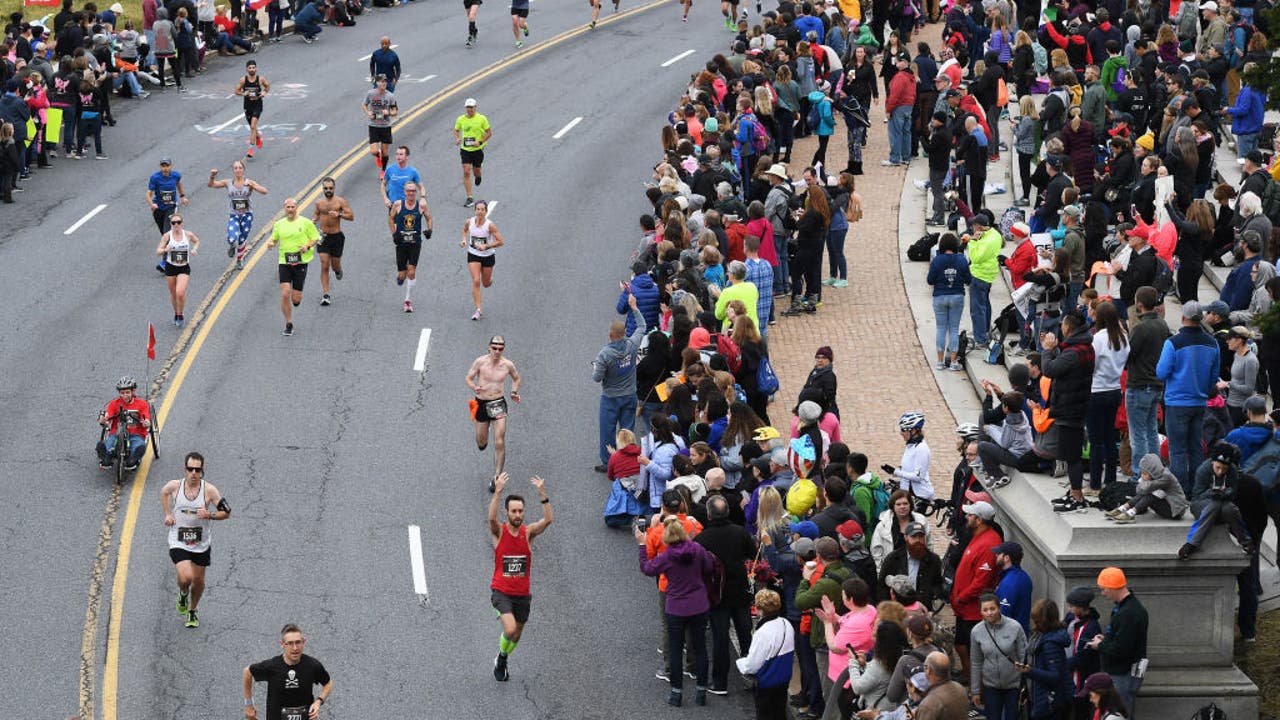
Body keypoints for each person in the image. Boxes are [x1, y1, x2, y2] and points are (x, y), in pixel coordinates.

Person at [638, 515, 715, 707]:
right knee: (700, 648)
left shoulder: (667, 556)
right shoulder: (697, 550)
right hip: (699, 605)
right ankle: (701, 691)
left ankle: (676, 692)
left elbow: (647, 568)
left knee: (674, 648)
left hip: (676, 607)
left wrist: (641, 545)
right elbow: (709, 567)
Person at [487, 472, 552, 680]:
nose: (517, 514)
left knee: (516, 634)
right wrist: (498, 492)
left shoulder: (528, 532)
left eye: (520, 511)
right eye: (513, 511)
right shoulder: (499, 532)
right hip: (501, 592)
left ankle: (502, 656)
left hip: (522, 595)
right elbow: (490, 518)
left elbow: (548, 520)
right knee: (510, 627)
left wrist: (543, 495)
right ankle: (503, 659)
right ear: (507, 513)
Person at [1156, 301, 1221, 494]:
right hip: (1199, 402)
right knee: (1196, 448)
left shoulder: (1173, 343)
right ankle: (1197, 489)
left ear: (1183, 317)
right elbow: (1214, 374)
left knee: (1177, 450)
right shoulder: (1212, 342)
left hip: (1176, 402)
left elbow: (1161, 372)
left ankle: (1179, 491)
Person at [160, 451, 229, 629]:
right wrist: (168, 514)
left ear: (202, 471)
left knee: (198, 581)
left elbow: (227, 512)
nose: (193, 473)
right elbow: (164, 492)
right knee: (185, 577)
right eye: (190, 469)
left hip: (201, 542)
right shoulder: (175, 486)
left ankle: (192, 610)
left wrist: (210, 515)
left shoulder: (209, 490)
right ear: (185, 469)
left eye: (197, 470)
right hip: (179, 539)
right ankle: (183, 593)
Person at [695, 494, 756, 695]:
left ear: (709, 515)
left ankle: (720, 682)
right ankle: (752, 675)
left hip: (716, 593)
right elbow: (751, 552)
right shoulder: (740, 532)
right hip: (739, 590)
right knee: (746, 634)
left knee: (720, 638)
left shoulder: (702, 539)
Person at [949, 500, 1002, 686]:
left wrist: (961, 597)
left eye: (970, 515)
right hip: (964, 608)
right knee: (961, 646)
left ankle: (977, 690)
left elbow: (981, 582)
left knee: (973, 653)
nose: (966, 516)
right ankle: (970, 680)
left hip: (971, 610)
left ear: (979, 520)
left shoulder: (989, 543)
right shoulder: (977, 536)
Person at [1085, 567, 1147, 718]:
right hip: (1126, 672)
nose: (1102, 593)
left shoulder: (1127, 614)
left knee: (1118, 714)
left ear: (1113, 587)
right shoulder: (1129, 608)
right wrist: (1107, 640)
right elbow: (1124, 641)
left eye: (1103, 589)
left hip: (1122, 673)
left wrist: (1099, 645)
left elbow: (1121, 650)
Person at [593, 295, 646, 472]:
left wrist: (596, 367)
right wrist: (634, 308)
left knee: (607, 432)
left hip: (610, 397)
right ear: (623, 334)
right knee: (627, 430)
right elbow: (642, 326)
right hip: (630, 394)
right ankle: (628, 461)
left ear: (610, 335)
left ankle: (609, 463)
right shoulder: (632, 344)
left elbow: (597, 378)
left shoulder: (604, 355)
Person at [1178, 442, 1255, 559]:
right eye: (1217, 467)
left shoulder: (1232, 471)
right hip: (1201, 506)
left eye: (1224, 469)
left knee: (1231, 509)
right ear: (1213, 461)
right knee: (1214, 505)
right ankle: (1192, 544)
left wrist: (1225, 493)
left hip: (1223, 506)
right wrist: (1211, 493)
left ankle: (1246, 542)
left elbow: (1233, 492)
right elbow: (1196, 496)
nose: (1220, 472)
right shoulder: (1203, 470)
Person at [1125, 287, 1170, 477]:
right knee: (1151, 431)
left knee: (1138, 434)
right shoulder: (1162, 325)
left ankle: (1140, 473)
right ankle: (1155, 470)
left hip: (1139, 385)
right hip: (1156, 385)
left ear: (1139, 304)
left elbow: (1128, 356)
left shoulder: (1140, 328)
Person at [466, 336, 522, 491]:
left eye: (500, 348)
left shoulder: (507, 365)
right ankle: (485, 429)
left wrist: (513, 391)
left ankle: (497, 477)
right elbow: (469, 377)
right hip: (482, 403)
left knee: (499, 441)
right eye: (494, 348)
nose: (497, 351)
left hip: (498, 404)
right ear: (489, 347)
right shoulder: (480, 362)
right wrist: (474, 387)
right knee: (481, 443)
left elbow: (516, 379)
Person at [243, 624, 332, 720]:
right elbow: (247, 672)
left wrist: (318, 701)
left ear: (304, 642)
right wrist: (249, 705)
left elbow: (328, 683)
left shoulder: (312, 665)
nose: (295, 648)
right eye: (290, 643)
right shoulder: (272, 666)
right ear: (282, 644)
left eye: (298, 642)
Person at [736, 589, 794, 720]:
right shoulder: (787, 624)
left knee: (764, 714)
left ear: (760, 610)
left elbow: (753, 664)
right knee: (780, 712)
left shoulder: (762, 632)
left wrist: (740, 663)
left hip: (767, 680)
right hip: (784, 678)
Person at [266, 198, 320, 337]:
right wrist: (271, 243)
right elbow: (274, 238)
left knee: (296, 300)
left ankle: (295, 301)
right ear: (284, 208)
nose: (290, 209)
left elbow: (316, 237)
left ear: (297, 208)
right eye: (288, 207)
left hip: (300, 262)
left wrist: (307, 246)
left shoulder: (306, 222)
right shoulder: (279, 224)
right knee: (285, 293)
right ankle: (289, 323)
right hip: (285, 261)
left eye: (292, 207)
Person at [969, 592, 1028, 720]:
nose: (989, 612)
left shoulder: (1015, 627)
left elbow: (1024, 655)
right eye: (985, 610)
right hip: (990, 685)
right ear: (980, 612)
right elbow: (976, 662)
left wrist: (1024, 683)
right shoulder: (976, 632)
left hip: (1013, 685)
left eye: (992, 608)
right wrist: (975, 691)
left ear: (999, 608)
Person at [1018, 598, 1073, 720]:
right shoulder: (1038, 636)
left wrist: (1029, 671)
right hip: (1037, 697)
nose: (1033, 622)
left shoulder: (1050, 644)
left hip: (1048, 702)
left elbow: (1055, 676)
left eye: (1035, 619)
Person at [208, 161, 267, 270]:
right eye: (235, 168)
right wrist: (212, 176)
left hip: (247, 214)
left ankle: (240, 259)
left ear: (243, 170)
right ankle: (231, 245)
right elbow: (211, 185)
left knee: (242, 238)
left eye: (240, 168)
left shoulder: (249, 182)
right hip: (234, 215)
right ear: (233, 170)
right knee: (232, 237)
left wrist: (253, 186)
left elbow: (264, 191)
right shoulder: (228, 182)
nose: (238, 170)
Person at [927, 232, 971, 370]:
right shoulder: (962, 259)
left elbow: (930, 280)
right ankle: (953, 362)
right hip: (957, 296)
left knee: (941, 328)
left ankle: (940, 361)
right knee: (953, 329)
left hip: (940, 296)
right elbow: (968, 280)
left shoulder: (937, 260)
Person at [388, 183, 433, 313]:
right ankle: (401, 277)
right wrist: (394, 234)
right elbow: (391, 219)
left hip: (415, 243)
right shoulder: (398, 205)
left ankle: (407, 301)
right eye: (409, 191)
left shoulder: (421, 206)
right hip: (401, 244)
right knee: (402, 275)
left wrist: (430, 230)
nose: (411, 193)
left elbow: (429, 218)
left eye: (413, 191)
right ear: (405, 192)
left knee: (411, 271)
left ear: (416, 192)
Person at [1106, 453, 1190, 523]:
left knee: (1150, 495)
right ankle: (1122, 508)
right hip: (1166, 504)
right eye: (1142, 473)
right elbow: (1139, 490)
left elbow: (1146, 487)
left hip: (1175, 510)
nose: (1142, 476)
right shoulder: (1154, 476)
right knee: (1147, 492)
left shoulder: (1166, 477)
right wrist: (1142, 483)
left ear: (1153, 471)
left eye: (1145, 474)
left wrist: (1142, 483)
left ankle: (1131, 513)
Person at [312, 177, 353, 306]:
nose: (328, 190)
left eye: (330, 188)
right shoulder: (319, 203)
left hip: (337, 237)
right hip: (323, 236)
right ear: (322, 189)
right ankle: (326, 294)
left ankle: (338, 270)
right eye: (325, 188)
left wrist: (339, 214)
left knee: (335, 265)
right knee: (324, 264)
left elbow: (351, 216)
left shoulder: (340, 201)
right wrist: (312, 222)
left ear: (334, 188)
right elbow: (316, 215)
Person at [460, 199, 504, 320]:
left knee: (485, 283)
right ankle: (478, 309)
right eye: (478, 209)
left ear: (486, 211)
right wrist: (464, 240)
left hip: (488, 256)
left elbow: (501, 242)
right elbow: (464, 231)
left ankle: (489, 280)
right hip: (473, 254)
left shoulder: (489, 225)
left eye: (482, 210)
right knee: (476, 281)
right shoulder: (469, 221)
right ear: (475, 210)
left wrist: (486, 246)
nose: (480, 212)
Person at [96, 376, 152, 470]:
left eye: (127, 392)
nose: (125, 395)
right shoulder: (114, 404)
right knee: (109, 445)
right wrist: (103, 420)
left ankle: (133, 459)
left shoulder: (142, 404)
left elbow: (146, 418)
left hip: (135, 434)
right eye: (122, 393)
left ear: (133, 392)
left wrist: (146, 422)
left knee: (137, 445)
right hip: (116, 433)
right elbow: (107, 419)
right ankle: (106, 457)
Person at [155, 213, 200, 327]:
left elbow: (197, 241)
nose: (176, 225)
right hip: (171, 267)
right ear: (170, 224)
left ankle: (181, 313)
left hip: (184, 267)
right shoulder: (167, 236)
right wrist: (166, 249)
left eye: (178, 222)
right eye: (173, 223)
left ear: (182, 223)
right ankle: (176, 313)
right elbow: (158, 251)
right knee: (174, 294)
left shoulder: (187, 234)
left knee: (180, 292)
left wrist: (194, 249)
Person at [965, 212, 1002, 350]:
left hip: (979, 276)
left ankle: (980, 338)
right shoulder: (994, 235)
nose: (972, 228)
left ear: (979, 227)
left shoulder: (987, 240)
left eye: (974, 226)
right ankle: (984, 331)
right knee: (984, 305)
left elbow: (975, 258)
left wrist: (972, 241)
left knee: (977, 309)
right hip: (987, 276)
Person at [146, 156, 188, 271]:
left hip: (171, 208)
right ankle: (173, 256)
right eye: (163, 166)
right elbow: (148, 194)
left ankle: (165, 263)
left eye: (167, 166)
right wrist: (152, 204)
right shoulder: (155, 178)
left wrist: (182, 196)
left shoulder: (176, 175)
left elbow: (178, 183)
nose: (165, 168)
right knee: (164, 235)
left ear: (171, 166)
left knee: (167, 233)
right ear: (160, 167)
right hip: (158, 209)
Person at [881, 411, 934, 499]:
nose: (901, 433)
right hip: (908, 492)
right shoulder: (911, 445)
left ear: (913, 431)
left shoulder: (921, 449)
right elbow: (909, 468)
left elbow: (918, 476)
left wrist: (896, 472)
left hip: (918, 495)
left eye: (903, 430)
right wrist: (896, 471)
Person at [454, 98, 491, 207]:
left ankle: (478, 176)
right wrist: (457, 139)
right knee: (466, 171)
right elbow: (456, 130)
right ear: (465, 108)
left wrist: (480, 142)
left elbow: (489, 133)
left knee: (476, 171)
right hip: (465, 149)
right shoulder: (460, 119)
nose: (469, 109)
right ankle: (469, 197)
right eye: (468, 107)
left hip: (478, 150)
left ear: (475, 107)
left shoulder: (482, 119)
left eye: (471, 107)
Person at [992, 541, 1032, 632]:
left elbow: (1002, 615)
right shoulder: (1024, 577)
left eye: (998, 554)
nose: (996, 556)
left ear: (1006, 558)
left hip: (1008, 638)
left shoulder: (1009, 583)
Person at [233, 60, 268, 157]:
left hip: (257, 105)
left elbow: (267, 87)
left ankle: (250, 149)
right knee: (253, 128)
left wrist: (264, 92)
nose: (252, 69)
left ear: (256, 68)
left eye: (253, 67)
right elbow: (236, 91)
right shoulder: (243, 80)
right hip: (248, 106)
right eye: (250, 68)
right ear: (247, 69)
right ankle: (257, 136)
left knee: (253, 126)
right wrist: (243, 93)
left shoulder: (260, 79)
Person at [363, 74, 397, 173]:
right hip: (374, 125)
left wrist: (389, 113)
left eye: (385, 81)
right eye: (382, 81)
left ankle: (383, 170)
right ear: (377, 83)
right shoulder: (370, 94)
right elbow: (364, 105)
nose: (384, 83)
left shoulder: (390, 96)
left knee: (385, 151)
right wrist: (368, 112)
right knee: (373, 151)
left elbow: (395, 111)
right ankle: (378, 155)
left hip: (385, 126)